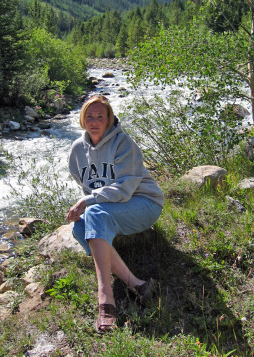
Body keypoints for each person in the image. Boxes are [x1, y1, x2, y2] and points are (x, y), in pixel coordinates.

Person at [66, 94, 164, 333]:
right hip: (110, 209)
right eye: (90, 116)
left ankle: (105, 299)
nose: (95, 121)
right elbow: (85, 184)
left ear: (109, 119)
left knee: (95, 215)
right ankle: (137, 285)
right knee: (79, 228)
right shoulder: (77, 149)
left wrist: (88, 202)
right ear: (82, 119)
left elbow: (124, 189)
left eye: (100, 116)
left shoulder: (123, 143)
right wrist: (88, 205)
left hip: (143, 204)